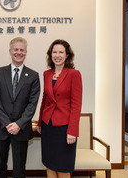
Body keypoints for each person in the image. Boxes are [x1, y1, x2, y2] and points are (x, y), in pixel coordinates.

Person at [0, 37, 40, 178]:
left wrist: (18, 124)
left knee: (19, 167)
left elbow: (32, 104)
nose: (19, 52)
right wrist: (8, 123)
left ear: (26, 52)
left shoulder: (33, 75)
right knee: (0, 165)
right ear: (10, 51)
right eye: (16, 49)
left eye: (22, 50)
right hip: (2, 127)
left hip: (21, 128)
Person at [37, 39, 82, 178]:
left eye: (61, 52)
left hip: (65, 128)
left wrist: (72, 131)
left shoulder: (74, 74)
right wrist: (40, 122)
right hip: (48, 126)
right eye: (54, 52)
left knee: (63, 166)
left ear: (67, 55)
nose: (57, 55)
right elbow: (45, 100)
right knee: (49, 164)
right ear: (50, 55)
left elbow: (76, 104)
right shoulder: (47, 74)